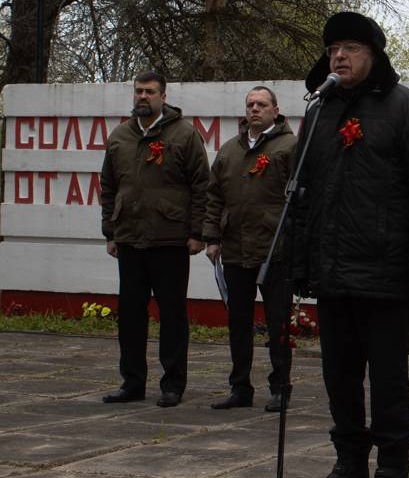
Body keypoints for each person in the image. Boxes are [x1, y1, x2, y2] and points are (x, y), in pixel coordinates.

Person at [296, 11, 409, 478]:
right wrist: (303, 265)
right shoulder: (319, 113)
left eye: (350, 48)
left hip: (388, 276)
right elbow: (303, 196)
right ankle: (349, 468)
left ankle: (393, 473)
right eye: (332, 50)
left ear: (374, 54)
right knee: (338, 376)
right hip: (334, 275)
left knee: (387, 379)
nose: (339, 57)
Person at [99, 72, 209, 407]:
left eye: (149, 92)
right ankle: (132, 382)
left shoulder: (184, 134)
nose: (142, 97)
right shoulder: (120, 136)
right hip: (130, 237)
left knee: (172, 314)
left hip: (170, 239)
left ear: (163, 96)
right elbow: (108, 186)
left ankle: (172, 384)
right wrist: (111, 231)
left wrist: (197, 232)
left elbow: (202, 185)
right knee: (131, 314)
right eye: (138, 92)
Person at [203, 86, 296, 412]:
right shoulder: (229, 151)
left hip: (275, 250)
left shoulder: (290, 146)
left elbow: (302, 197)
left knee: (277, 322)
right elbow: (213, 197)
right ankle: (240, 387)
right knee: (238, 322)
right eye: (250, 104)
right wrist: (212, 237)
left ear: (275, 109)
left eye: (262, 104)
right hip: (235, 249)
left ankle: (280, 386)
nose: (255, 109)